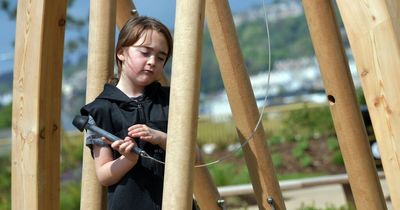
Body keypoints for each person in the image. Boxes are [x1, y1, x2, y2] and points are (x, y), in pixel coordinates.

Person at [80, 16, 197, 210]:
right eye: (145, 53)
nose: (152, 62)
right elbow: (104, 175)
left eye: (161, 57)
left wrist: (161, 138)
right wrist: (128, 159)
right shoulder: (100, 110)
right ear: (121, 53)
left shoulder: (174, 100)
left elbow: (194, 156)